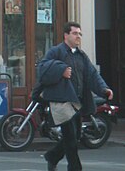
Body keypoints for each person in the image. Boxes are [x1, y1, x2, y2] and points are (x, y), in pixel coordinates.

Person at [36, 22, 113, 171]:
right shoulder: (56, 52)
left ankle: (52, 156)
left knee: (75, 136)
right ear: (66, 35)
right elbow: (42, 69)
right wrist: (61, 71)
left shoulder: (81, 55)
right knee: (71, 139)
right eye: (75, 33)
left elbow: (92, 74)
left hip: (76, 102)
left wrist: (104, 89)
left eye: (80, 34)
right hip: (62, 102)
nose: (78, 36)